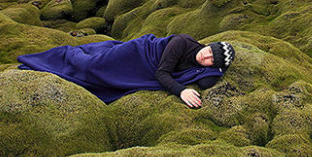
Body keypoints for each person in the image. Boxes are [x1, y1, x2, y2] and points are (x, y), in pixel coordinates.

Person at [17, 33, 235, 108]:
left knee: (105, 84)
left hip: (145, 68)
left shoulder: (205, 67)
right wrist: (181, 91)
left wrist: (219, 68)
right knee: (92, 65)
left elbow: (208, 81)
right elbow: (161, 74)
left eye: (211, 61)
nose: (205, 57)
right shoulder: (183, 42)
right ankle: (64, 56)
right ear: (207, 44)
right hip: (138, 53)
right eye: (208, 51)